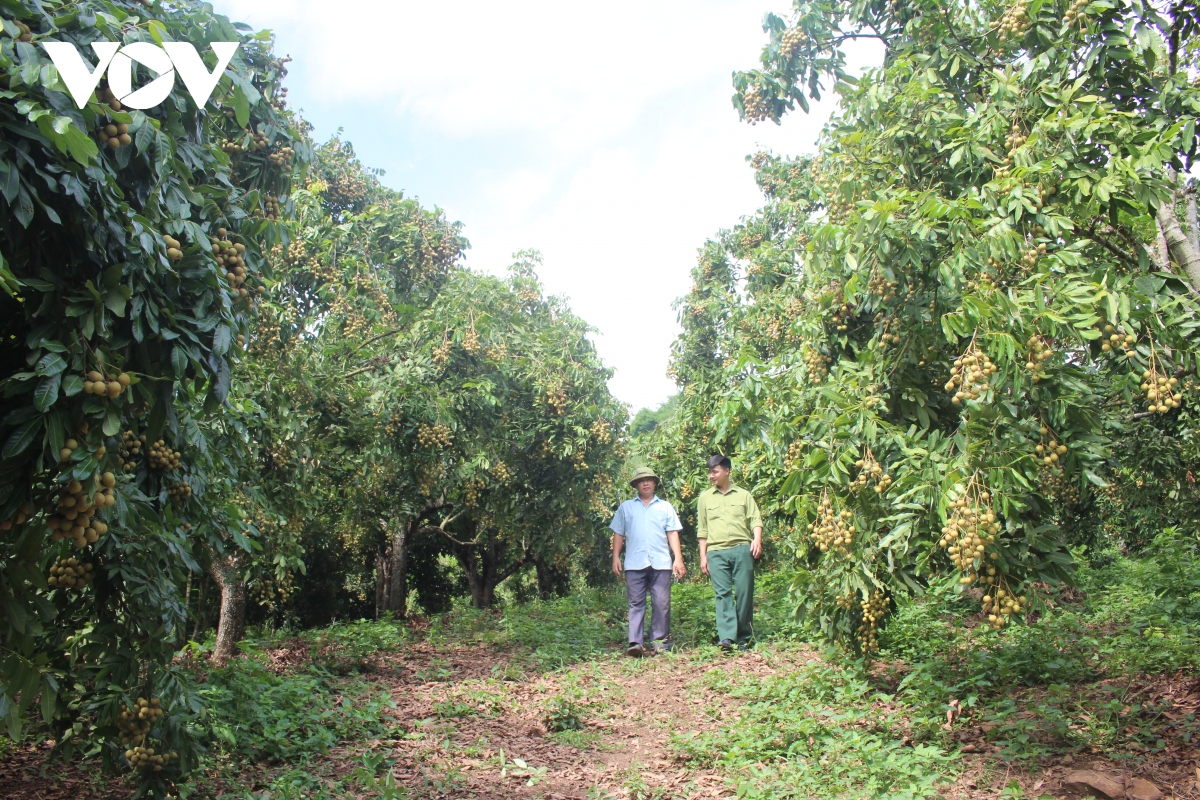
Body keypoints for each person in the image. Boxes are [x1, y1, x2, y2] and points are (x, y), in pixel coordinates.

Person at [610, 466, 686, 657]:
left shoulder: (665, 507)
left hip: (660, 563)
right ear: (636, 485)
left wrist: (678, 558)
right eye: (641, 481)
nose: (645, 483)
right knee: (636, 603)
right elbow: (618, 533)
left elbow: (672, 533)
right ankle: (635, 642)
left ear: (654, 483)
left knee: (662, 603)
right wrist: (615, 557)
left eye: (649, 480)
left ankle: (660, 643)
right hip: (634, 563)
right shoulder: (626, 507)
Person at [697, 454, 763, 651]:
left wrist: (757, 539)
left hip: (742, 549)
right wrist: (703, 556)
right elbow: (702, 530)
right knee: (722, 594)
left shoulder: (743, 495)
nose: (711, 476)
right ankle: (727, 637)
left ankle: (744, 637)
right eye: (710, 472)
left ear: (727, 471)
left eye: (715, 471)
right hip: (716, 551)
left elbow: (755, 519)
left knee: (744, 592)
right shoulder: (705, 498)